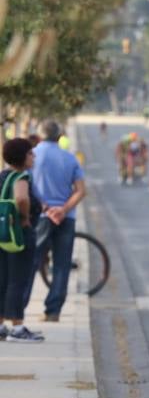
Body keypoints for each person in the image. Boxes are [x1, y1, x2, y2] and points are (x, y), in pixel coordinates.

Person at [29, 122, 85, 322]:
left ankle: (18, 309)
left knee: (31, 262)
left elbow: (27, 187)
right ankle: (53, 311)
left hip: (41, 217)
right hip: (65, 218)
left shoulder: (32, 156)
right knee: (62, 264)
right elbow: (80, 190)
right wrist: (62, 209)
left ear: (39, 134)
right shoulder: (69, 158)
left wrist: (46, 207)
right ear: (60, 135)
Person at [0, 138, 43, 342]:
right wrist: (25, 218)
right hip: (19, 234)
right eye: (30, 153)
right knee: (19, 280)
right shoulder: (21, 177)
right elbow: (21, 198)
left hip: (3, 235)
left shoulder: (3, 175)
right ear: (22, 157)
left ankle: (1, 326)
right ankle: (17, 328)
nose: (33, 157)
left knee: (3, 279)